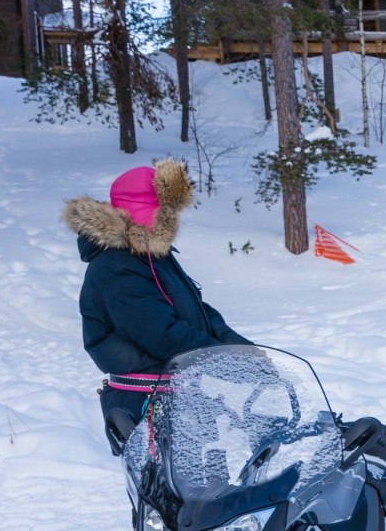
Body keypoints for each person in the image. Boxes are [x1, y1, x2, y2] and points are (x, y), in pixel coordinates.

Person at [66, 158, 252, 455]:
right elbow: (160, 333)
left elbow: (199, 313)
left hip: (179, 395)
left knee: (210, 490)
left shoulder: (152, 255)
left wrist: (244, 351)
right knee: (178, 498)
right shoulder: (116, 265)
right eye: (166, 211)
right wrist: (224, 360)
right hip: (147, 403)